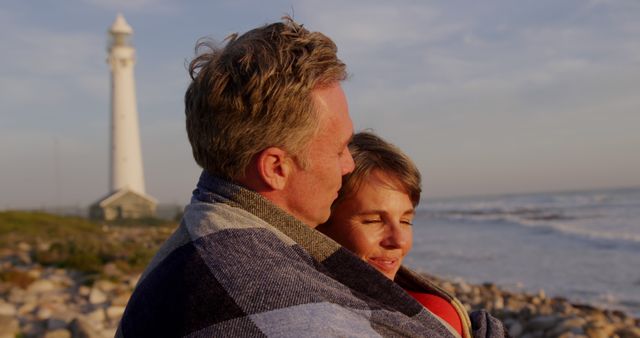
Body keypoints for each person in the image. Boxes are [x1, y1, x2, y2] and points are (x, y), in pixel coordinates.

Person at [117, 17, 502, 337]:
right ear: (276, 168)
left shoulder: (208, 238)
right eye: (338, 150)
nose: (348, 166)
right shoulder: (281, 302)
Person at [318, 131, 507, 338]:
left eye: (406, 221)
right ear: (321, 222)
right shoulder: (306, 314)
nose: (399, 240)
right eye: (373, 220)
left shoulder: (432, 313)